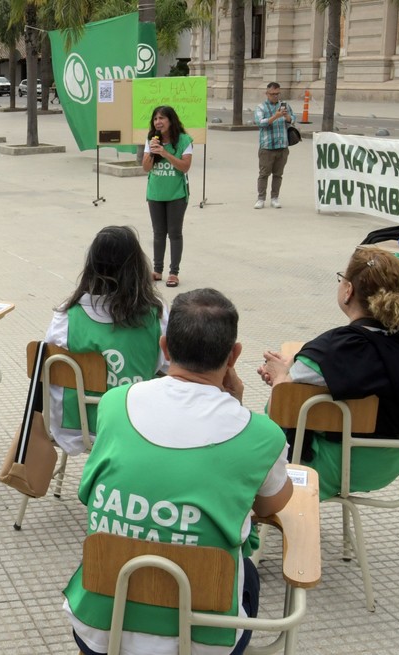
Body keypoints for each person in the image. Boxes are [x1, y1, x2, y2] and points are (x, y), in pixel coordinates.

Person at [64, 288, 292, 655]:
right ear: (234, 355)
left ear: (165, 348)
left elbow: (87, 492)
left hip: (101, 627)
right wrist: (235, 407)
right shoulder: (261, 434)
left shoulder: (115, 404)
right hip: (204, 639)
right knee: (246, 571)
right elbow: (271, 506)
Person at [258, 247, 399, 500]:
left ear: (348, 291)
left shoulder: (335, 349)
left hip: (336, 463)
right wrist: (293, 367)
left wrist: (280, 376)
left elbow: (287, 397)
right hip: (392, 459)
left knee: (267, 422)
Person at [44, 226, 168, 455]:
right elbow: (168, 367)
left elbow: (50, 369)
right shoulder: (156, 315)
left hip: (76, 428)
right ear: (138, 268)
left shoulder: (65, 316)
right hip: (136, 425)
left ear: (90, 266)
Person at [141, 105, 193, 288]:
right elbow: (146, 168)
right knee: (158, 233)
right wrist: (153, 152)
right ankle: (157, 270)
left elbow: (184, 167)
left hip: (176, 194)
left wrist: (165, 152)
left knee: (175, 233)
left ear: (171, 121)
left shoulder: (184, 140)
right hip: (155, 193)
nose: (158, 122)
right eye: (155, 119)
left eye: (162, 118)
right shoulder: (151, 139)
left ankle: (174, 273)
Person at [255, 82, 291, 210]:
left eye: (277, 94)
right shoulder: (261, 107)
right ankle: (261, 198)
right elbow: (260, 123)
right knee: (264, 174)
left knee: (278, 174)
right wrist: (275, 116)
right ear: (267, 94)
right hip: (267, 146)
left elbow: (293, 119)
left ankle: (275, 198)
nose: (275, 96)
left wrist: (287, 117)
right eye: (272, 94)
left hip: (282, 145)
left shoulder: (285, 105)